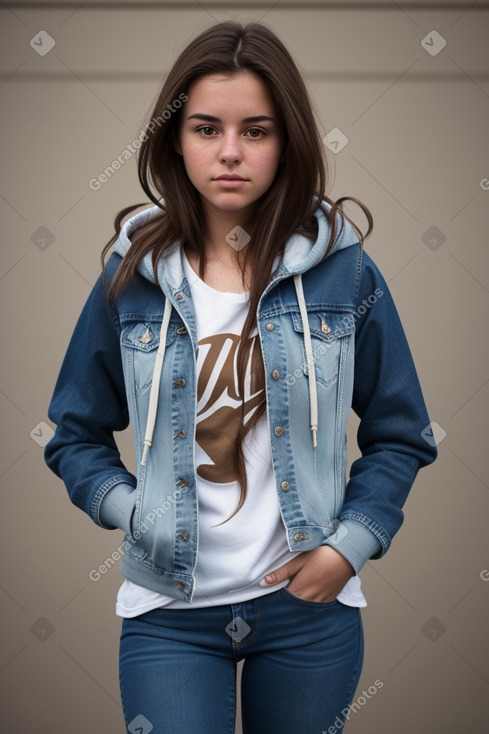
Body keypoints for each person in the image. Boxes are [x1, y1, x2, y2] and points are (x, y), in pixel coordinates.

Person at [44, 20, 437, 734]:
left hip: (309, 616)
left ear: (288, 141)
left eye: (255, 130)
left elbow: (401, 433)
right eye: (205, 128)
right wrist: (136, 515)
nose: (229, 152)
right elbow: (72, 433)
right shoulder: (131, 277)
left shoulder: (343, 271)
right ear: (175, 140)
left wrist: (347, 548)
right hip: (169, 614)